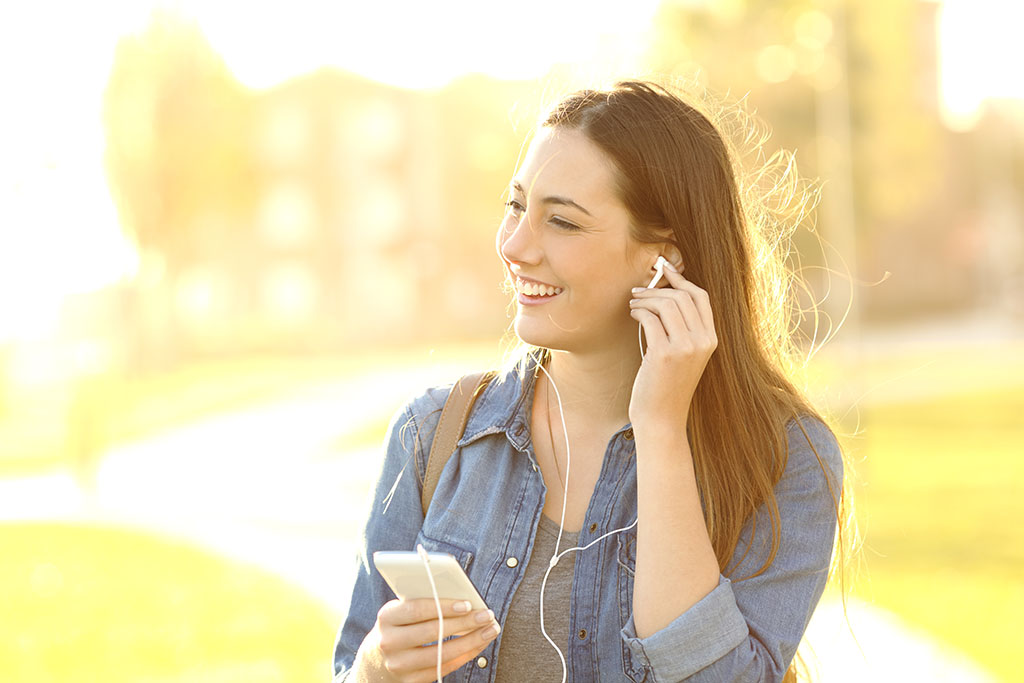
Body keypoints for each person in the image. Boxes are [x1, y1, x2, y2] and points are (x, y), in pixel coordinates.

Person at [332, 80, 847, 682]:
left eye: (563, 223)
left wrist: (660, 429)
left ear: (664, 259)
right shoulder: (431, 436)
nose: (515, 246)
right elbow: (349, 666)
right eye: (517, 205)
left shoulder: (784, 461)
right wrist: (373, 670)